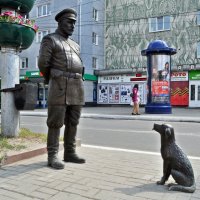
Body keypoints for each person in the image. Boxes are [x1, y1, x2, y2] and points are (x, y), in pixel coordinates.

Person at [38, 8, 85, 169]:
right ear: (60, 22)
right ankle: (52, 156)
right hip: (59, 86)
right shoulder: (50, 40)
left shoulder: (75, 45)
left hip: (76, 87)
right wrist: (52, 79)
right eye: (69, 22)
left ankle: (69, 153)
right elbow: (43, 64)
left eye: (74, 23)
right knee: (55, 122)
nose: (72, 26)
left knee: (73, 121)